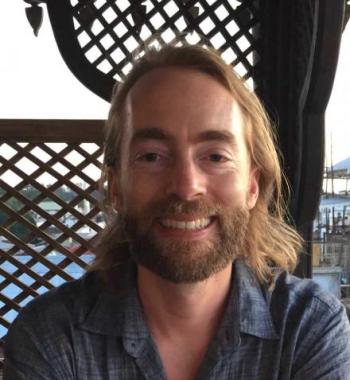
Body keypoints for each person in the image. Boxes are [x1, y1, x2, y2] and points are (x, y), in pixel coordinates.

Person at [4, 44, 350, 380]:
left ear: (252, 186)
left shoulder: (307, 328)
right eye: (152, 156)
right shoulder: (52, 339)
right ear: (116, 188)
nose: (186, 187)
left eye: (215, 156)